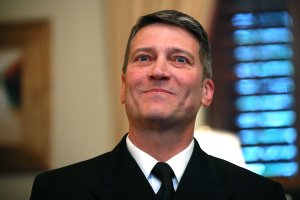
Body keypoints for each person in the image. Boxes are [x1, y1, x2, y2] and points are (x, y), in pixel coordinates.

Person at [30, 10, 287, 200]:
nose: (159, 71)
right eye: (144, 58)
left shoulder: (260, 195)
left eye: (179, 59)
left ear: (206, 92)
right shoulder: (58, 191)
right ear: (123, 87)